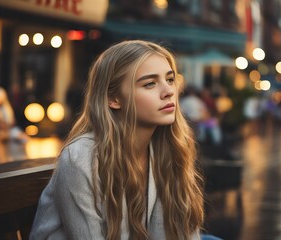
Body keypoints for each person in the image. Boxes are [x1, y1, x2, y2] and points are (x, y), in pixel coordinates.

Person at [30, 40, 204, 240]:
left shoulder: (168, 146)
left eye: (170, 79)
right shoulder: (81, 158)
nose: (169, 92)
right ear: (113, 99)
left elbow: (184, 228)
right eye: (150, 84)